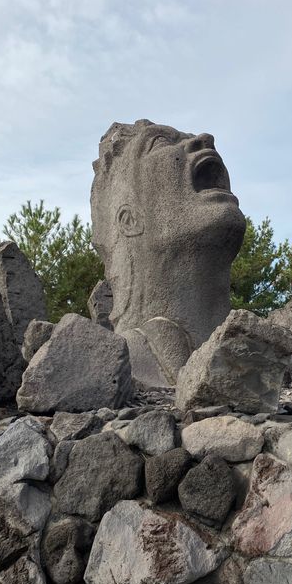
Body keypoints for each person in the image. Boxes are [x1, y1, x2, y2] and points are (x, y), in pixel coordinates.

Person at [91, 119, 246, 386]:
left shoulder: (279, 356)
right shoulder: (109, 372)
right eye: (160, 142)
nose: (205, 138)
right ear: (129, 220)